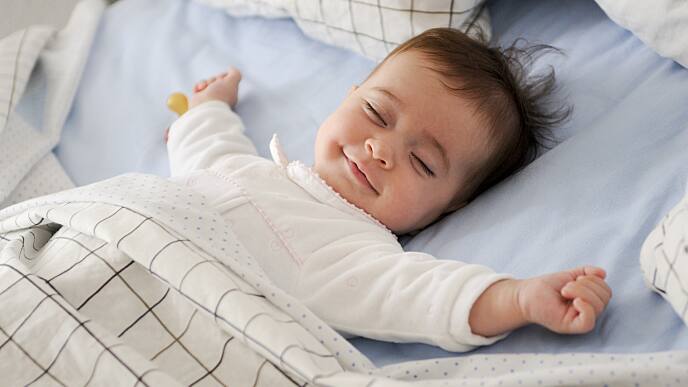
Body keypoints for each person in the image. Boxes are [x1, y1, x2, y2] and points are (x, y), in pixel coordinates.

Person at [165, 28, 611, 351]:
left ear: (451, 206)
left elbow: (422, 296)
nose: (380, 150)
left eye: (422, 162)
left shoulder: (352, 253)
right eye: (377, 112)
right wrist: (208, 107)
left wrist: (519, 299)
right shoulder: (243, 168)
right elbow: (208, 146)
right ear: (349, 95)